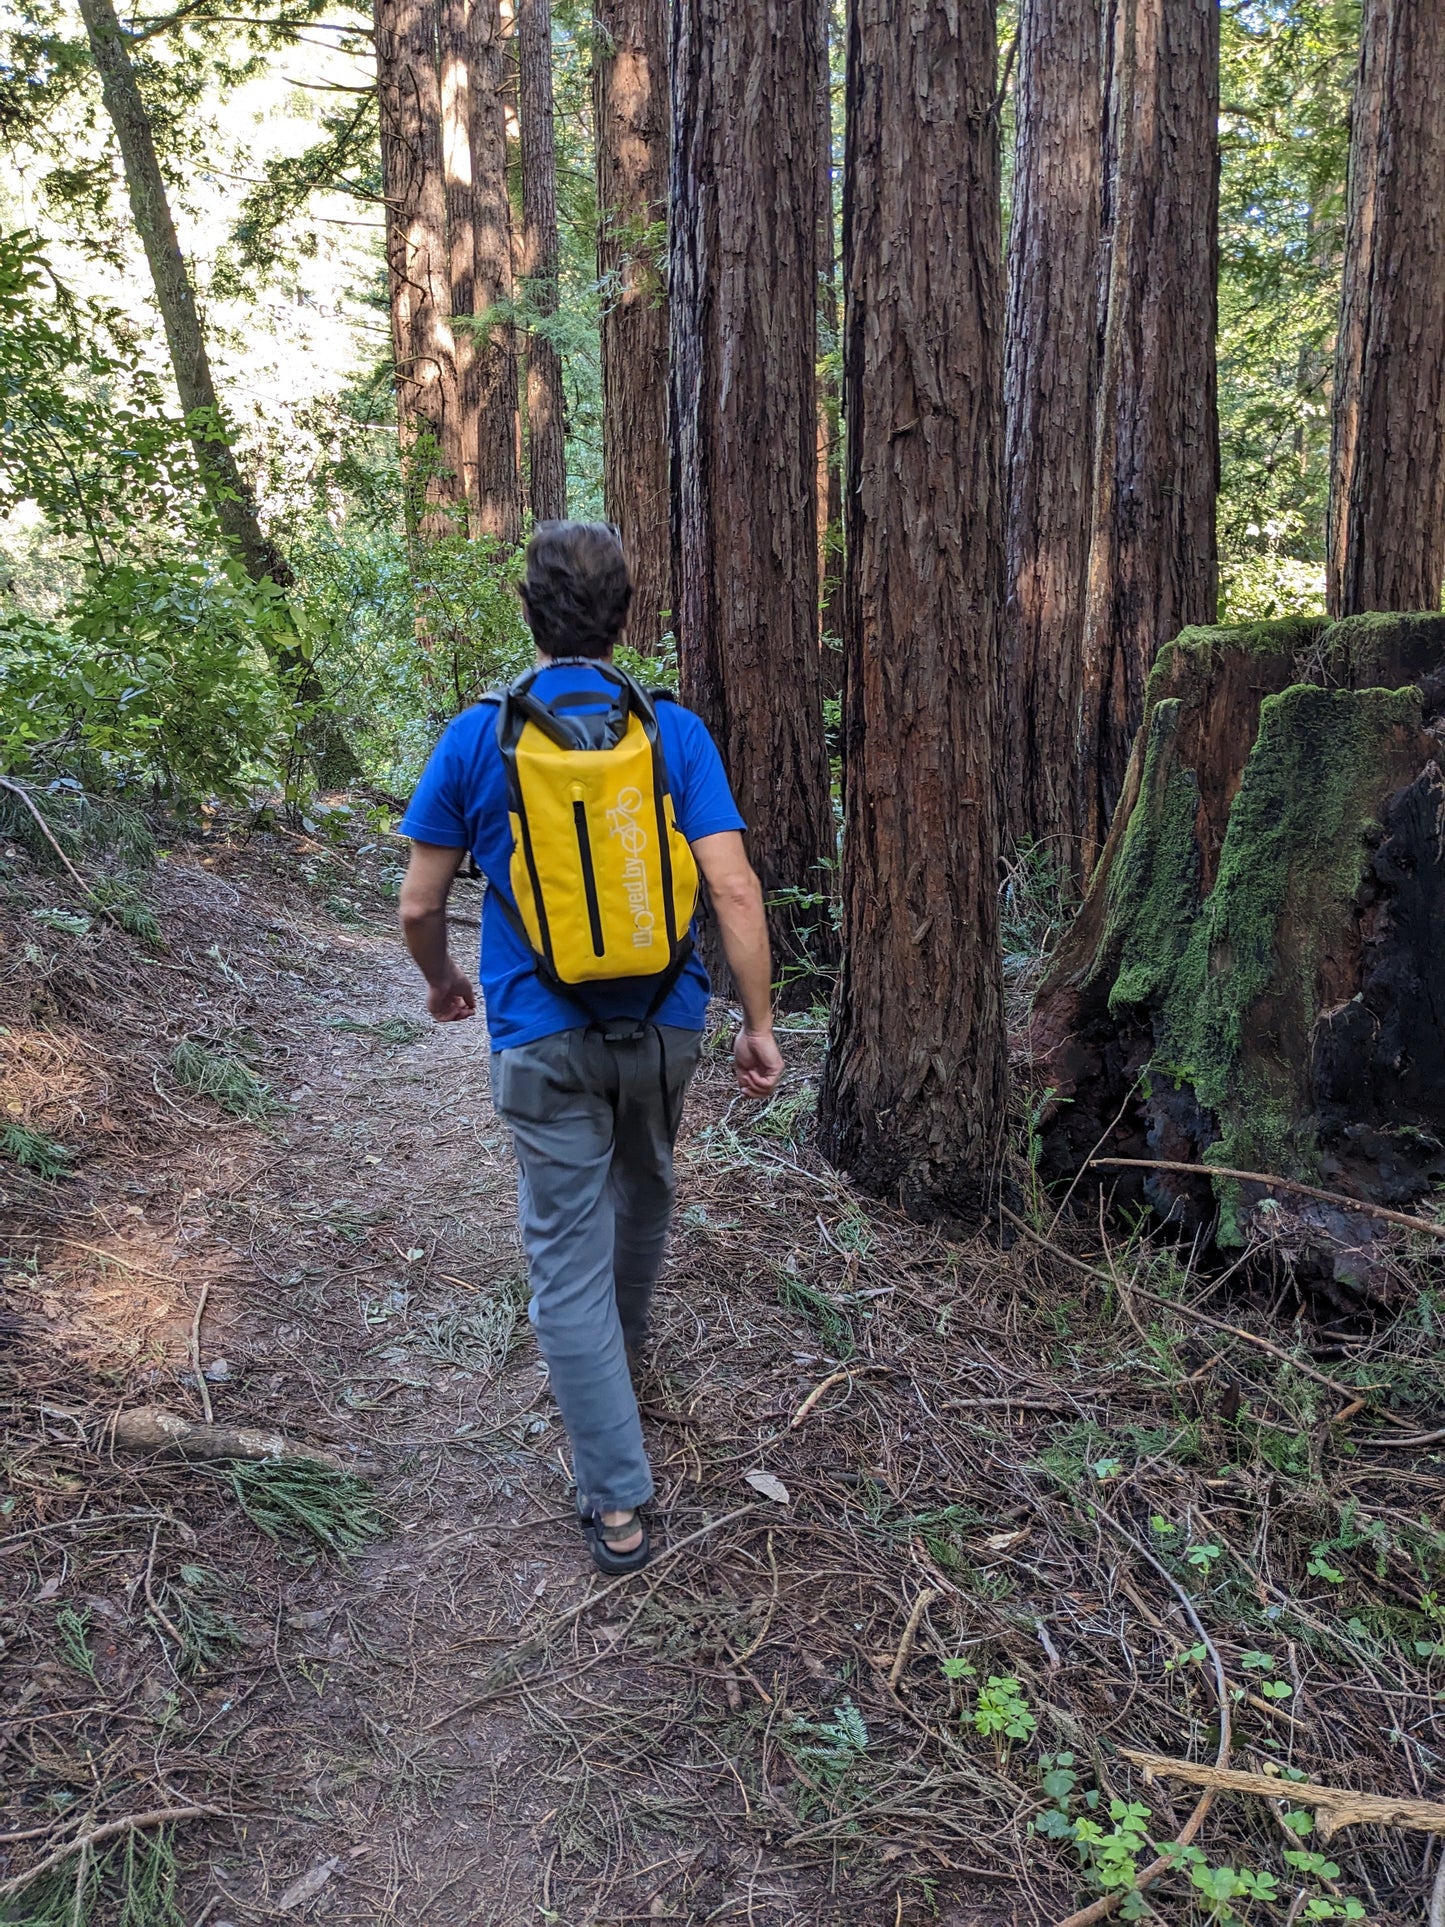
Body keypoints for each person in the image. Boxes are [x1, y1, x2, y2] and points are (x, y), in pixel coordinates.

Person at [397, 521, 783, 1574]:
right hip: (663, 1024)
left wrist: (442, 983)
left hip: (538, 1034)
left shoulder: (478, 735)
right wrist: (754, 1021)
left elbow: (420, 901)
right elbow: (732, 886)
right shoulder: (672, 731)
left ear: (529, 609)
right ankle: (616, 1364)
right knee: (644, 1194)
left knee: (563, 1250)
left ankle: (614, 1499)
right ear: (624, 614)